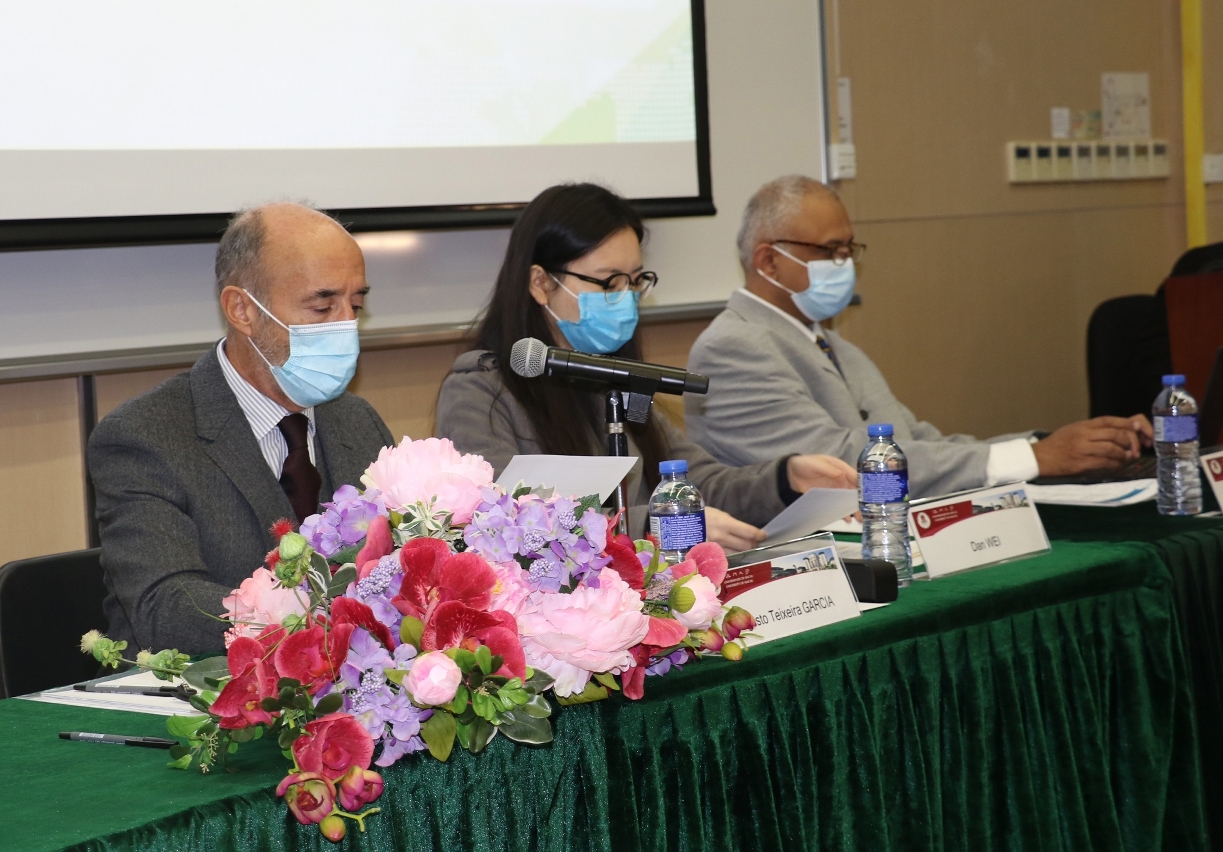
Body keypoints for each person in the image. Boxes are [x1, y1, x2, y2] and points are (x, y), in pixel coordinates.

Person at [435, 183, 857, 551]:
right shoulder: (479, 390)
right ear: (541, 283)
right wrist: (659, 526)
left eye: (634, 281)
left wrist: (785, 478)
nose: (626, 297)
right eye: (609, 282)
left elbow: (697, 484)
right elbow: (501, 523)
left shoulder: (617, 380)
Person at [685, 175, 1153, 498]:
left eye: (849, 249)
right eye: (830, 250)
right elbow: (843, 464)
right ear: (769, 261)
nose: (845, 264)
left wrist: (1065, 445)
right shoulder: (734, 347)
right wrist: (1034, 458)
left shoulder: (832, 344)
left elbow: (921, 441)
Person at [89, 203, 393, 655]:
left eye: (356, 305)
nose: (345, 325)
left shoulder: (357, 420)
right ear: (242, 309)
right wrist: (324, 622)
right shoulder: (144, 437)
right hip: (192, 690)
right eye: (322, 306)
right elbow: (165, 608)